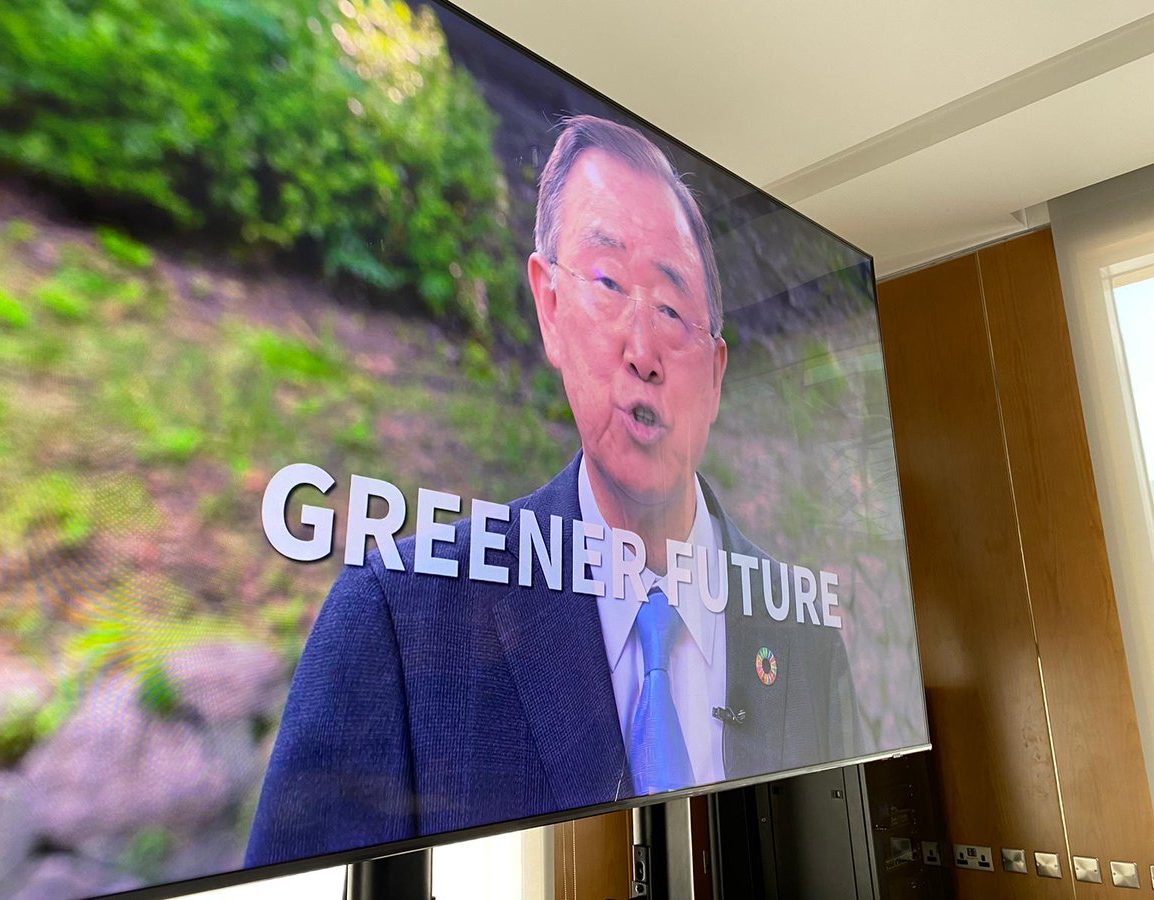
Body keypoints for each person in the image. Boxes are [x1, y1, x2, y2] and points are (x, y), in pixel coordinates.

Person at [244, 115, 857, 868]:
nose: (643, 353)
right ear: (550, 307)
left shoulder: (803, 637)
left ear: (717, 372)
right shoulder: (395, 618)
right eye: (606, 284)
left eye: (671, 310)